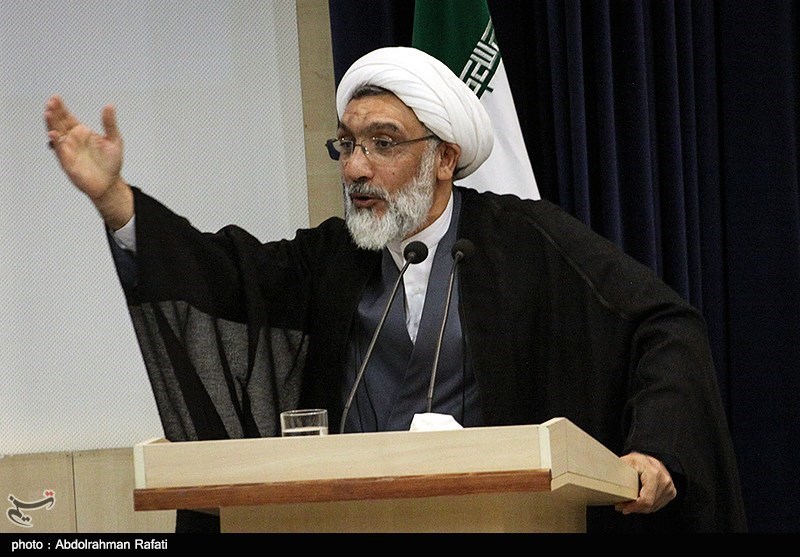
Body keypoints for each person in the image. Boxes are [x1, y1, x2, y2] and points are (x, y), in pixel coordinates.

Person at [44, 46, 746, 533]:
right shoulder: (333, 256)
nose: (356, 167)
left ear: (443, 158)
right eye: (347, 144)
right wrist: (116, 201)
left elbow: (662, 325)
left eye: (383, 143)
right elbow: (225, 276)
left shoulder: (524, 239)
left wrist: (657, 449)